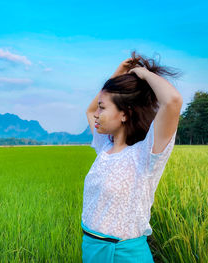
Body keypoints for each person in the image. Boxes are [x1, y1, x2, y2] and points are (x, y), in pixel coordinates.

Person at [81, 51, 183, 262]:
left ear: (125, 113)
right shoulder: (104, 145)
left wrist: (143, 74)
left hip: (125, 254)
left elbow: (172, 101)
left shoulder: (146, 155)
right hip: (91, 249)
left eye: (103, 107)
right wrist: (116, 77)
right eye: (99, 107)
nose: (97, 114)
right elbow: (89, 111)